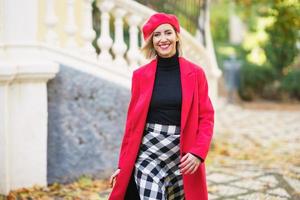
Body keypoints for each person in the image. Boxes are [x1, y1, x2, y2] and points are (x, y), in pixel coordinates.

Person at [108, 12, 214, 200]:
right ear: (151, 41)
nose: (163, 39)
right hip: (149, 154)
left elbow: (206, 117)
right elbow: (132, 126)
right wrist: (123, 167)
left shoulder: (196, 74)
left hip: (183, 156)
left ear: (176, 37)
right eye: (157, 35)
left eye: (167, 33)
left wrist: (198, 153)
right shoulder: (140, 75)